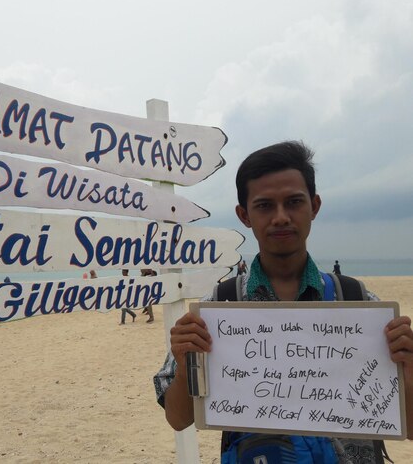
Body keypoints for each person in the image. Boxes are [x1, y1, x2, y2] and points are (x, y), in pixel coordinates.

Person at [153, 141, 413, 461]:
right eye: (264, 205)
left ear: (314, 206)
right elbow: (179, 419)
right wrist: (184, 364)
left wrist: (408, 371)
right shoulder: (218, 308)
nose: (280, 217)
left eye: (293, 202)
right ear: (244, 215)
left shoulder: (359, 302)